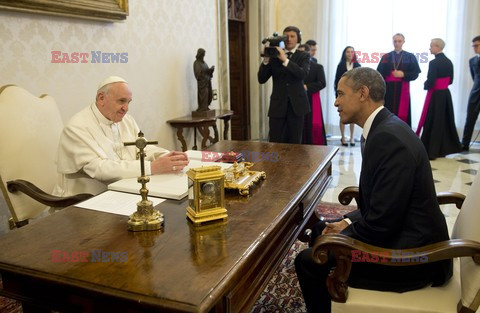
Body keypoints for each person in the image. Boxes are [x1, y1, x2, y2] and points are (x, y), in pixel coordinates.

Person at [295, 68, 452, 313]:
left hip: (413, 257)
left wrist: (345, 228)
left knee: (308, 260)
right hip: (400, 231)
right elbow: (384, 204)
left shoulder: (388, 138)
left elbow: (382, 224)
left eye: (339, 94)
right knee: (319, 230)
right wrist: (345, 221)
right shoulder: (381, 128)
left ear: (362, 93)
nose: (335, 102)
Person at [54, 76, 189, 196]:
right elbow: (98, 169)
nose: (126, 108)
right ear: (101, 98)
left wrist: (166, 156)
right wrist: (152, 167)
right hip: (86, 199)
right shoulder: (77, 127)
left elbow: (142, 148)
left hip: (125, 190)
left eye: (128, 102)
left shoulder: (126, 120)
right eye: (121, 101)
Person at [258, 25, 310, 144]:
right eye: (287, 36)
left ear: (298, 39)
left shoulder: (303, 56)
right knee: (275, 140)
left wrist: (285, 60)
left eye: (293, 36)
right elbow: (261, 79)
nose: (289, 39)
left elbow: (302, 74)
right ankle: (276, 163)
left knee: (295, 142)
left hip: (297, 105)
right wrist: (266, 60)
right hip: (278, 105)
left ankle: (295, 163)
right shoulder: (273, 57)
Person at [416, 38, 461, 159]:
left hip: (435, 96)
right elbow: (450, 80)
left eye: (431, 46)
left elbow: (430, 82)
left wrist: (425, 85)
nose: (429, 48)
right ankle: (443, 149)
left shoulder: (434, 63)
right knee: (444, 121)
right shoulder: (449, 62)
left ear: (437, 47)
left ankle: (432, 150)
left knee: (433, 121)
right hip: (445, 95)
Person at [377, 33, 421, 126]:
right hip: (388, 91)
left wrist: (403, 74)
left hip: (403, 90)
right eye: (395, 41)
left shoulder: (410, 56)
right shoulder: (386, 56)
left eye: (399, 41)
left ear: (403, 42)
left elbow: (415, 74)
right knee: (388, 113)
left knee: (402, 114)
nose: (397, 43)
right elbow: (379, 74)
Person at [298, 43, 327, 145]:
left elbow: (322, 83)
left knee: (312, 125)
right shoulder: (294, 67)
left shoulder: (317, 67)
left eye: (303, 52)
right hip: (297, 100)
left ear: (308, 53)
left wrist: (307, 87)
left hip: (311, 99)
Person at [334, 46, 361, 146]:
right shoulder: (340, 65)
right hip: (342, 94)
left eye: (352, 52)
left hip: (354, 94)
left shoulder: (358, 65)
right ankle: (343, 137)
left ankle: (352, 137)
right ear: (344, 54)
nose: (350, 54)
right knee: (342, 115)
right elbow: (336, 81)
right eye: (348, 52)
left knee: (353, 115)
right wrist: (337, 95)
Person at [461, 35, 480, 151]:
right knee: (470, 118)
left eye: (477, 45)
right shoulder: (472, 60)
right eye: (473, 46)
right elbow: (475, 77)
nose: (474, 48)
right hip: (475, 93)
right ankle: (465, 143)